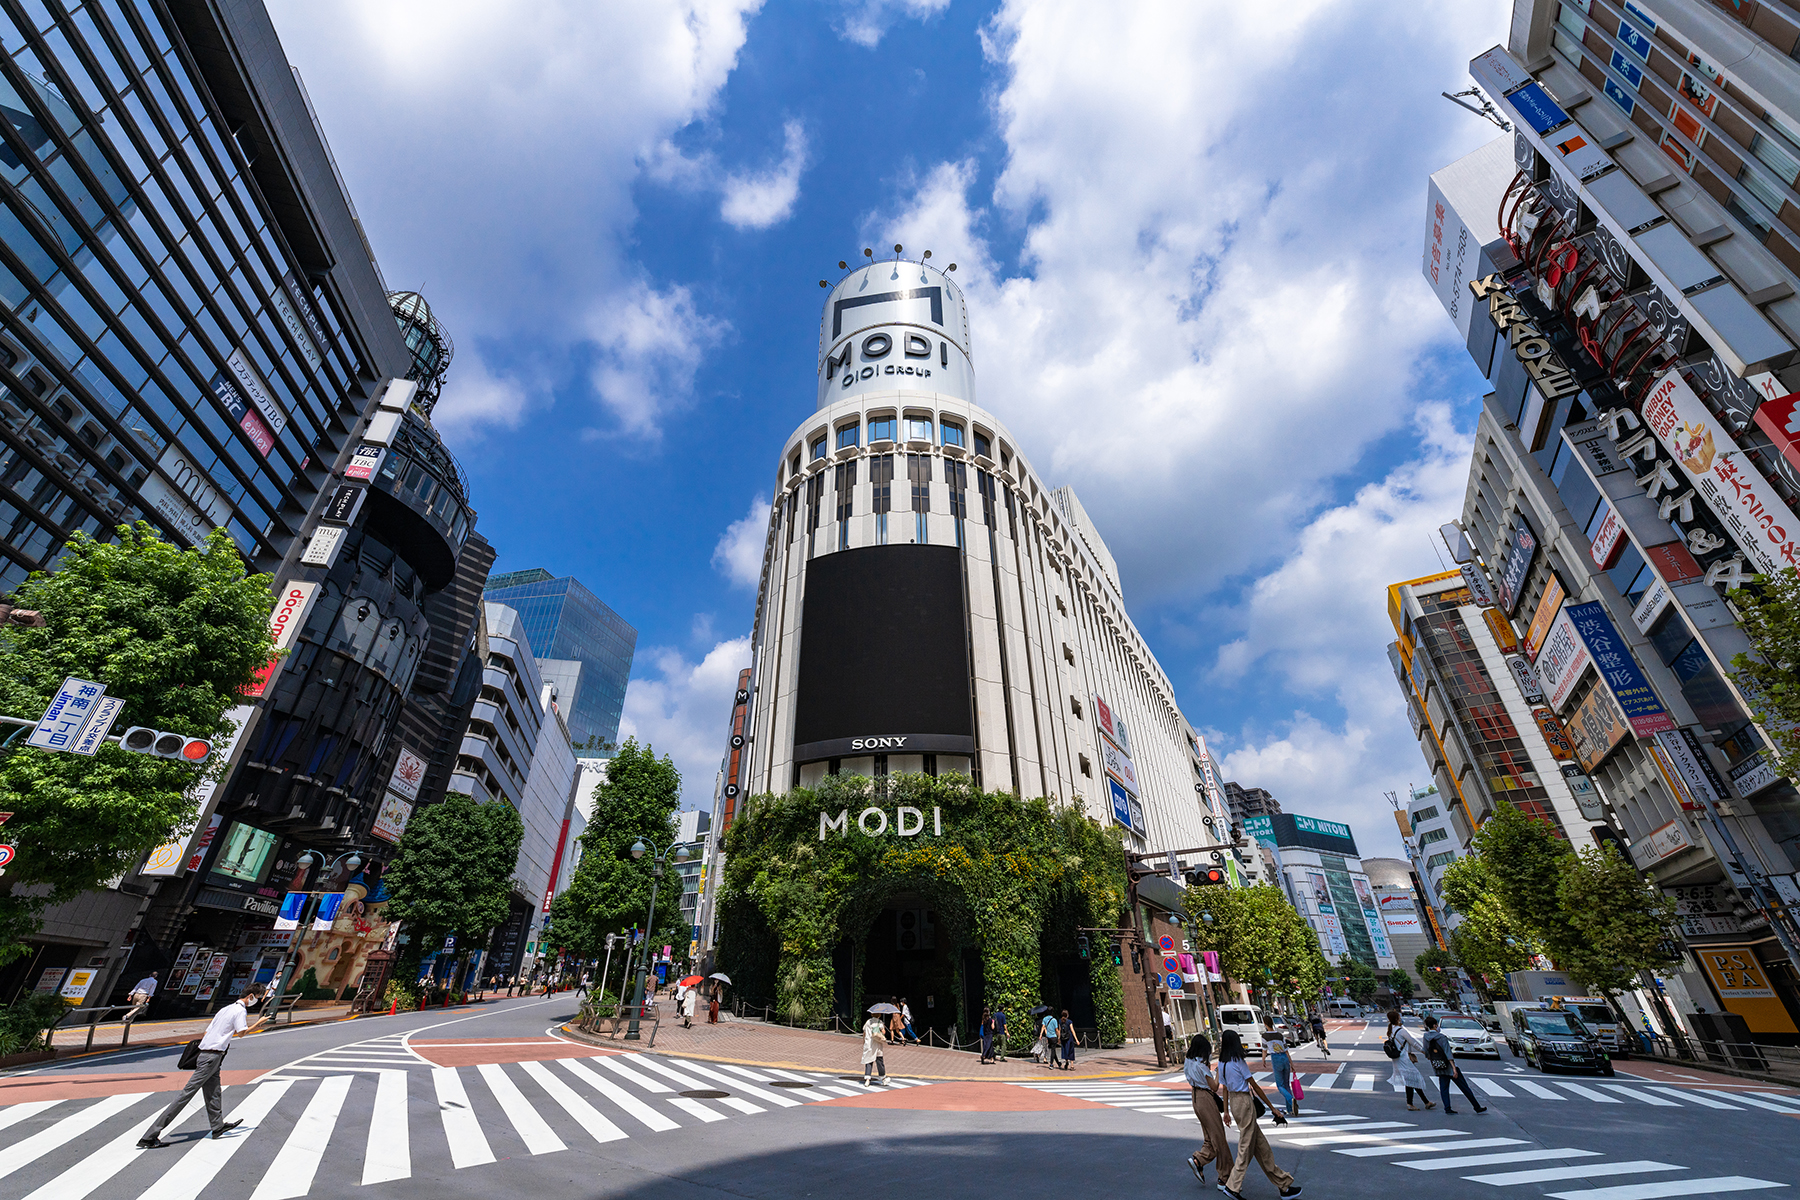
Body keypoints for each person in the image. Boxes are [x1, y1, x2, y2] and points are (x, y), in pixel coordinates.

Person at [137, 983, 271, 1148]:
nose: (256, 1001)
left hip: (208, 1055)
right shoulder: (240, 1011)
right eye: (257, 998)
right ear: (251, 996)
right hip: (211, 1057)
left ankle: (217, 1127)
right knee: (185, 1095)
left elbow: (208, 1031)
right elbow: (241, 1033)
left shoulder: (225, 1009)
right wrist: (259, 1023)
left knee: (214, 1092)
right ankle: (149, 1137)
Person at [1218, 1029, 1302, 1200]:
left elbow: (1224, 1088)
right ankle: (1232, 1186)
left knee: (1262, 1148)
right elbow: (1255, 1086)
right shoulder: (1238, 1062)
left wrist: (1226, 1111)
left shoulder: (1222, 1064)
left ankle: (1283, 1185)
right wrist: (1272, 1108)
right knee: (1245, 1146)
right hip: (1244, 1102)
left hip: (1235, 1104)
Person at [1184, 1033, 1234, 1188]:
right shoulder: (1201, 1066)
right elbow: (1214, 1086)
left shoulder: (1188, 1061)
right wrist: (1218, 1072)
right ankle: (1225, 1177)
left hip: (1195, 1098)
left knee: (1209, 1136)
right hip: (1206, 1098)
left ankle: (1199, 1160)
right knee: (1218, 1137)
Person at [1421, 1015, 1487, 1114]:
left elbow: (1425, 1051)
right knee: (1464, 1087)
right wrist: (1454, 1069)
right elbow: (1448, 1053)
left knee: (1443, 1088)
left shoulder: (1426, 1037)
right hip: (1448, 1066)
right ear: (1435, 1025)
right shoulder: (1442, 1037)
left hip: (1438, 1065)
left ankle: (1447, 1108)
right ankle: (1476, 1107)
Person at [1385, 1009, 1434, 1111]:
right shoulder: (1401, 1031)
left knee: (1411, 1080)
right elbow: (1414, 1043)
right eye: (1399, 1017)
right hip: (1404, 1059)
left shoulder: (1391, 1031)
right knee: (1412, 1079)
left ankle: (1424, 1102)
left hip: (1398, 1059)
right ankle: (1412, 1103)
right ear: (1397, 1019)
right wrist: (1424, 1052)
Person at [1262, 1014, 1296, 1115]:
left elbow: (1264, 1050)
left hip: (1276, 1058)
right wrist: (1291, 1063)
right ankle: (1290, 1109)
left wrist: (1263, 1059)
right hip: (1285, 1059)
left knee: (1279, 1085)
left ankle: (1291, 1099)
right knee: (1286, 1085)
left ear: (1264, 1024)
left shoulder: (1265, 1036)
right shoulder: (1280, 1035)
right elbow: (1286, 1050)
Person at [861, 1010, 889, 1086]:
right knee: (879, 1061)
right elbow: (883, 1032)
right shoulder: (879, 1022)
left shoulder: (868, 1022)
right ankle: (883, 1078)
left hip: (869, 1044)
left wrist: (864, 1041)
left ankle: (867, 1079)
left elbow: (864, 1032)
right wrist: (883, 1027)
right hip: (877, 1044)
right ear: (879, 1015)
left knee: (869, 1061)